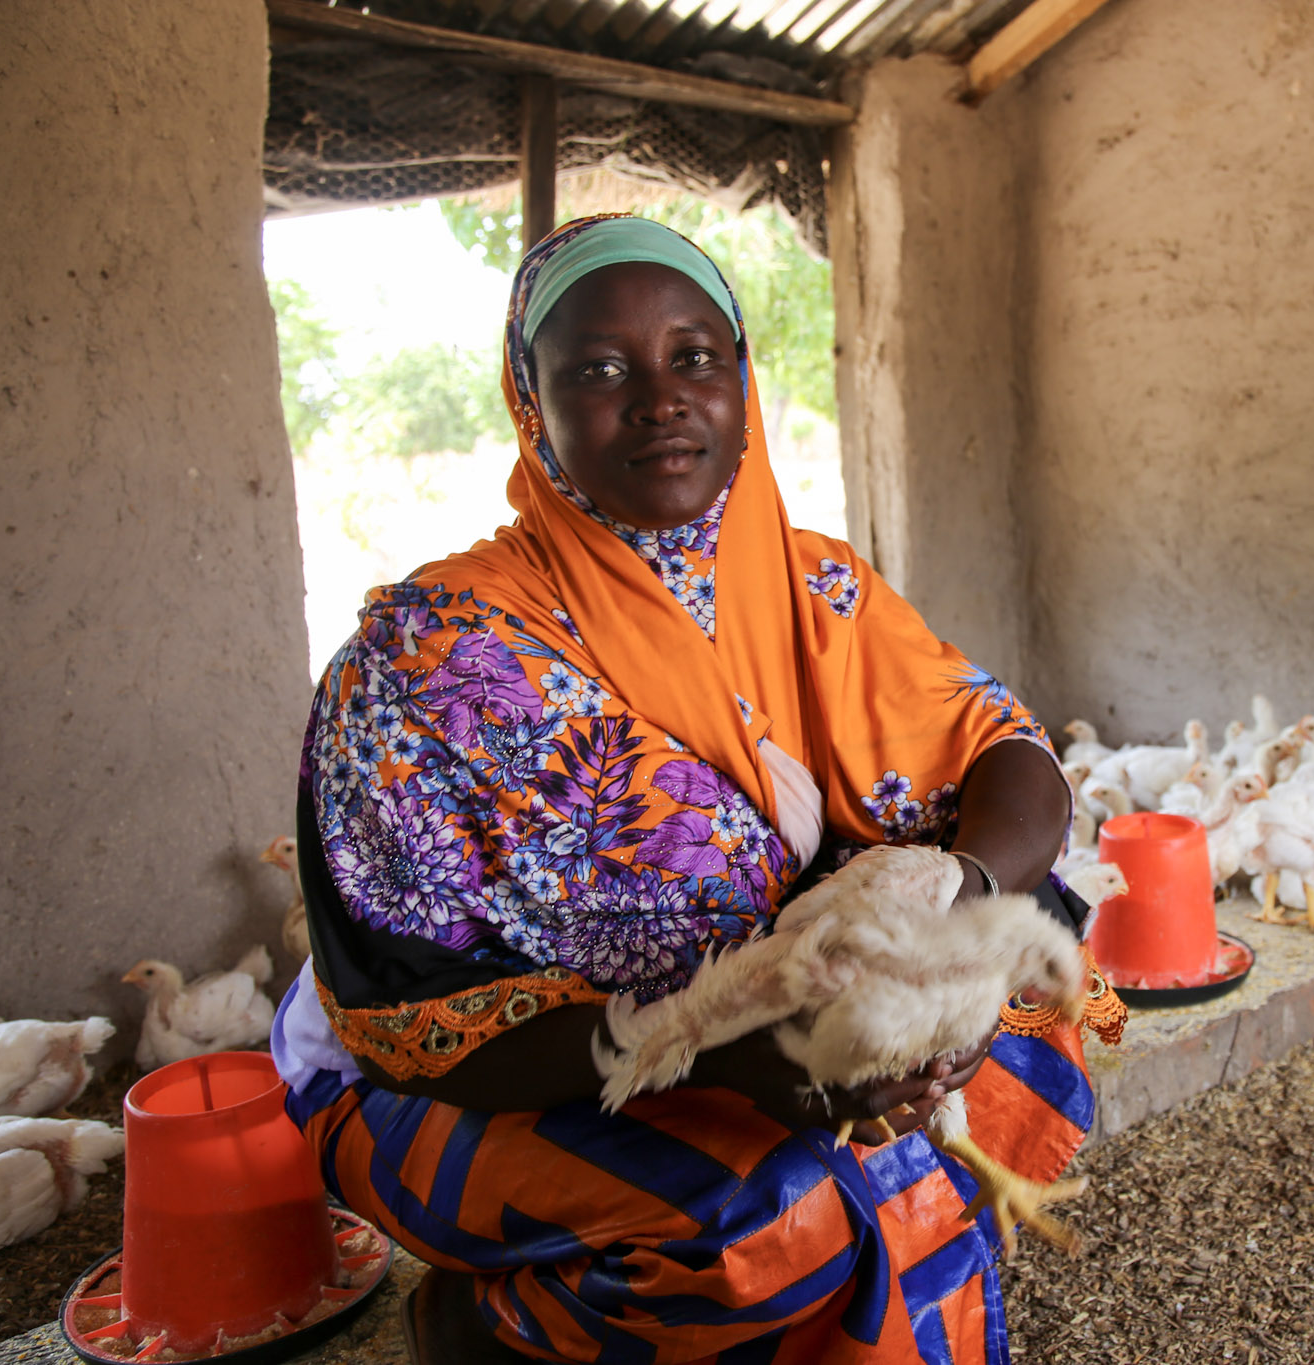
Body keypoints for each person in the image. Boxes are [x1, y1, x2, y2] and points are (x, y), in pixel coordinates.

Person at [270, 214, 1123, 1363]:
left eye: (694, 356)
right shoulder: (435, 658)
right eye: (601, 368)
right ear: (535, 403)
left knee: (1023, 1030)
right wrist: (714, 1056)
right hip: (465, 1081)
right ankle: (488, 1329)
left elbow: (1002, 753)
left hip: (766, 1028)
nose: (660, 397)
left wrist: (950, 901)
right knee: (773, 1215)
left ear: (741, 380)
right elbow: (402, 1012)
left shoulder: (817, 584)